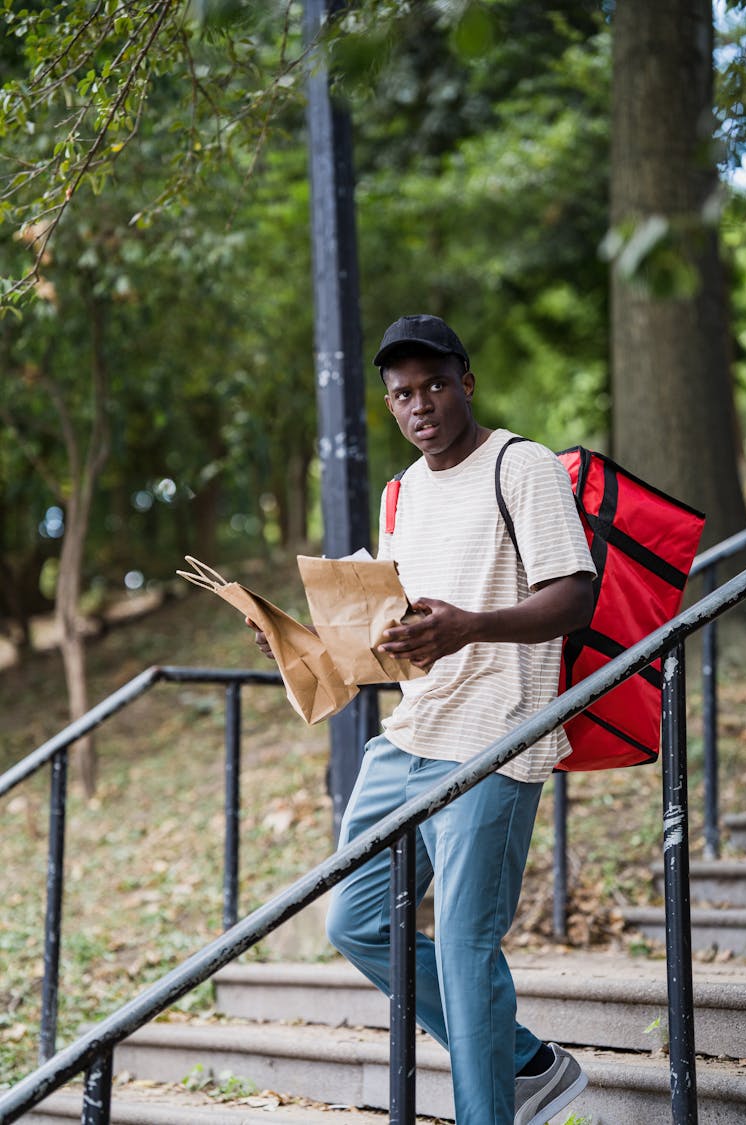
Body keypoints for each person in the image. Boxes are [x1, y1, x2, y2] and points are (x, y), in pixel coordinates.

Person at [251, 314, 596, 1125]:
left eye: (435, 384)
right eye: (402, 393)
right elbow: (395, 638)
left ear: (465, 383)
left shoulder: (523, 466)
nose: (421, 404)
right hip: (412, 736)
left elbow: (575, 594)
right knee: (355, 920)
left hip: (500, 734)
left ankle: (491, 1109)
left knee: (467, 949)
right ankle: (526, 1061)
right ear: (389, 405)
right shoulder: (399, 493)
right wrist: (299, 646)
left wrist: (471, 624)